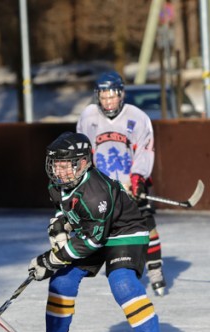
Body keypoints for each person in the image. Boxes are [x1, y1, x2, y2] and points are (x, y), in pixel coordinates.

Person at [28, 132, 175, 332]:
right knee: (61, 281)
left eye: (66, 165)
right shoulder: (57, 185)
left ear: (84, 163)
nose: (59, 171)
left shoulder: (95, 193)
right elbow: (69, 212)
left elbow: (92, 241)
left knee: (122, 282)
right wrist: (61, 223)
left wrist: (52, 259)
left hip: (125, 231)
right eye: (55, 164)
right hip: (94, 231)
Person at [77, 71, 166, 296]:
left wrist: (137, 177)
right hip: (103, 187)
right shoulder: (88, 116)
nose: (108, 101)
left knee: (147, 225)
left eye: (112, 96)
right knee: (104, 229)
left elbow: (145, 149)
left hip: (130, 183)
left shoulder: (137, 117)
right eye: (103, 97)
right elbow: (84, 152)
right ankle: (118, 269)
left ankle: (155, 269)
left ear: (121, 95)